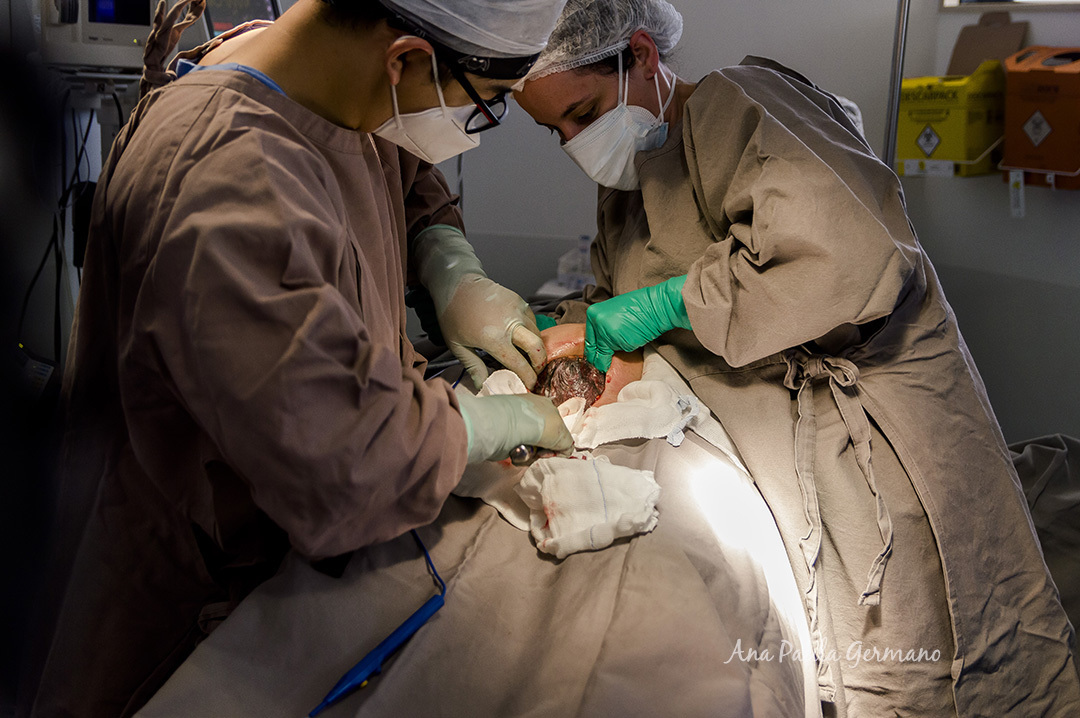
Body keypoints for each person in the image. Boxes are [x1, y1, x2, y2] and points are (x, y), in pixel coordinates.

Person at [513, 1, 1080, 716]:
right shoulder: (628, 184)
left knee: (941, 654)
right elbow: (616, 291)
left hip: (881, 438)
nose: (573, 139)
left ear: (642, 56)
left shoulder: (738, 103)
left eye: (583, 110)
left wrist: (668, 306)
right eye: (554, 129)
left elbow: (846, 258)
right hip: (782, 447)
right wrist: (555, 327)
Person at [28, 0, 573, 714]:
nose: (474, 127)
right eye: (485, 105)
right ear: (404, 57)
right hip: (192, 605)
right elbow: (347, 457)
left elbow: (395, 162)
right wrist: (489, 425)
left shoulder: (319, 74)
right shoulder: (224, 178)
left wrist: (449, 263)